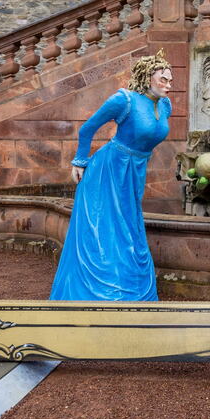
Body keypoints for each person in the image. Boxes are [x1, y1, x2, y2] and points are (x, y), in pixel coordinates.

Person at [50, 49, 174, 301]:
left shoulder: (165, 104)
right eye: (163, 79)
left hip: (134, 171)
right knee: (104, 227)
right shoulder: (124, 100)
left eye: (170, 80)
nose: (168, 85)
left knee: (129, 226)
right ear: (148, 77)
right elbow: (87, 129)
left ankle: (130, 289)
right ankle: (100, 294)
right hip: (107, 170)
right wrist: (80, 161)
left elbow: (149, 138)